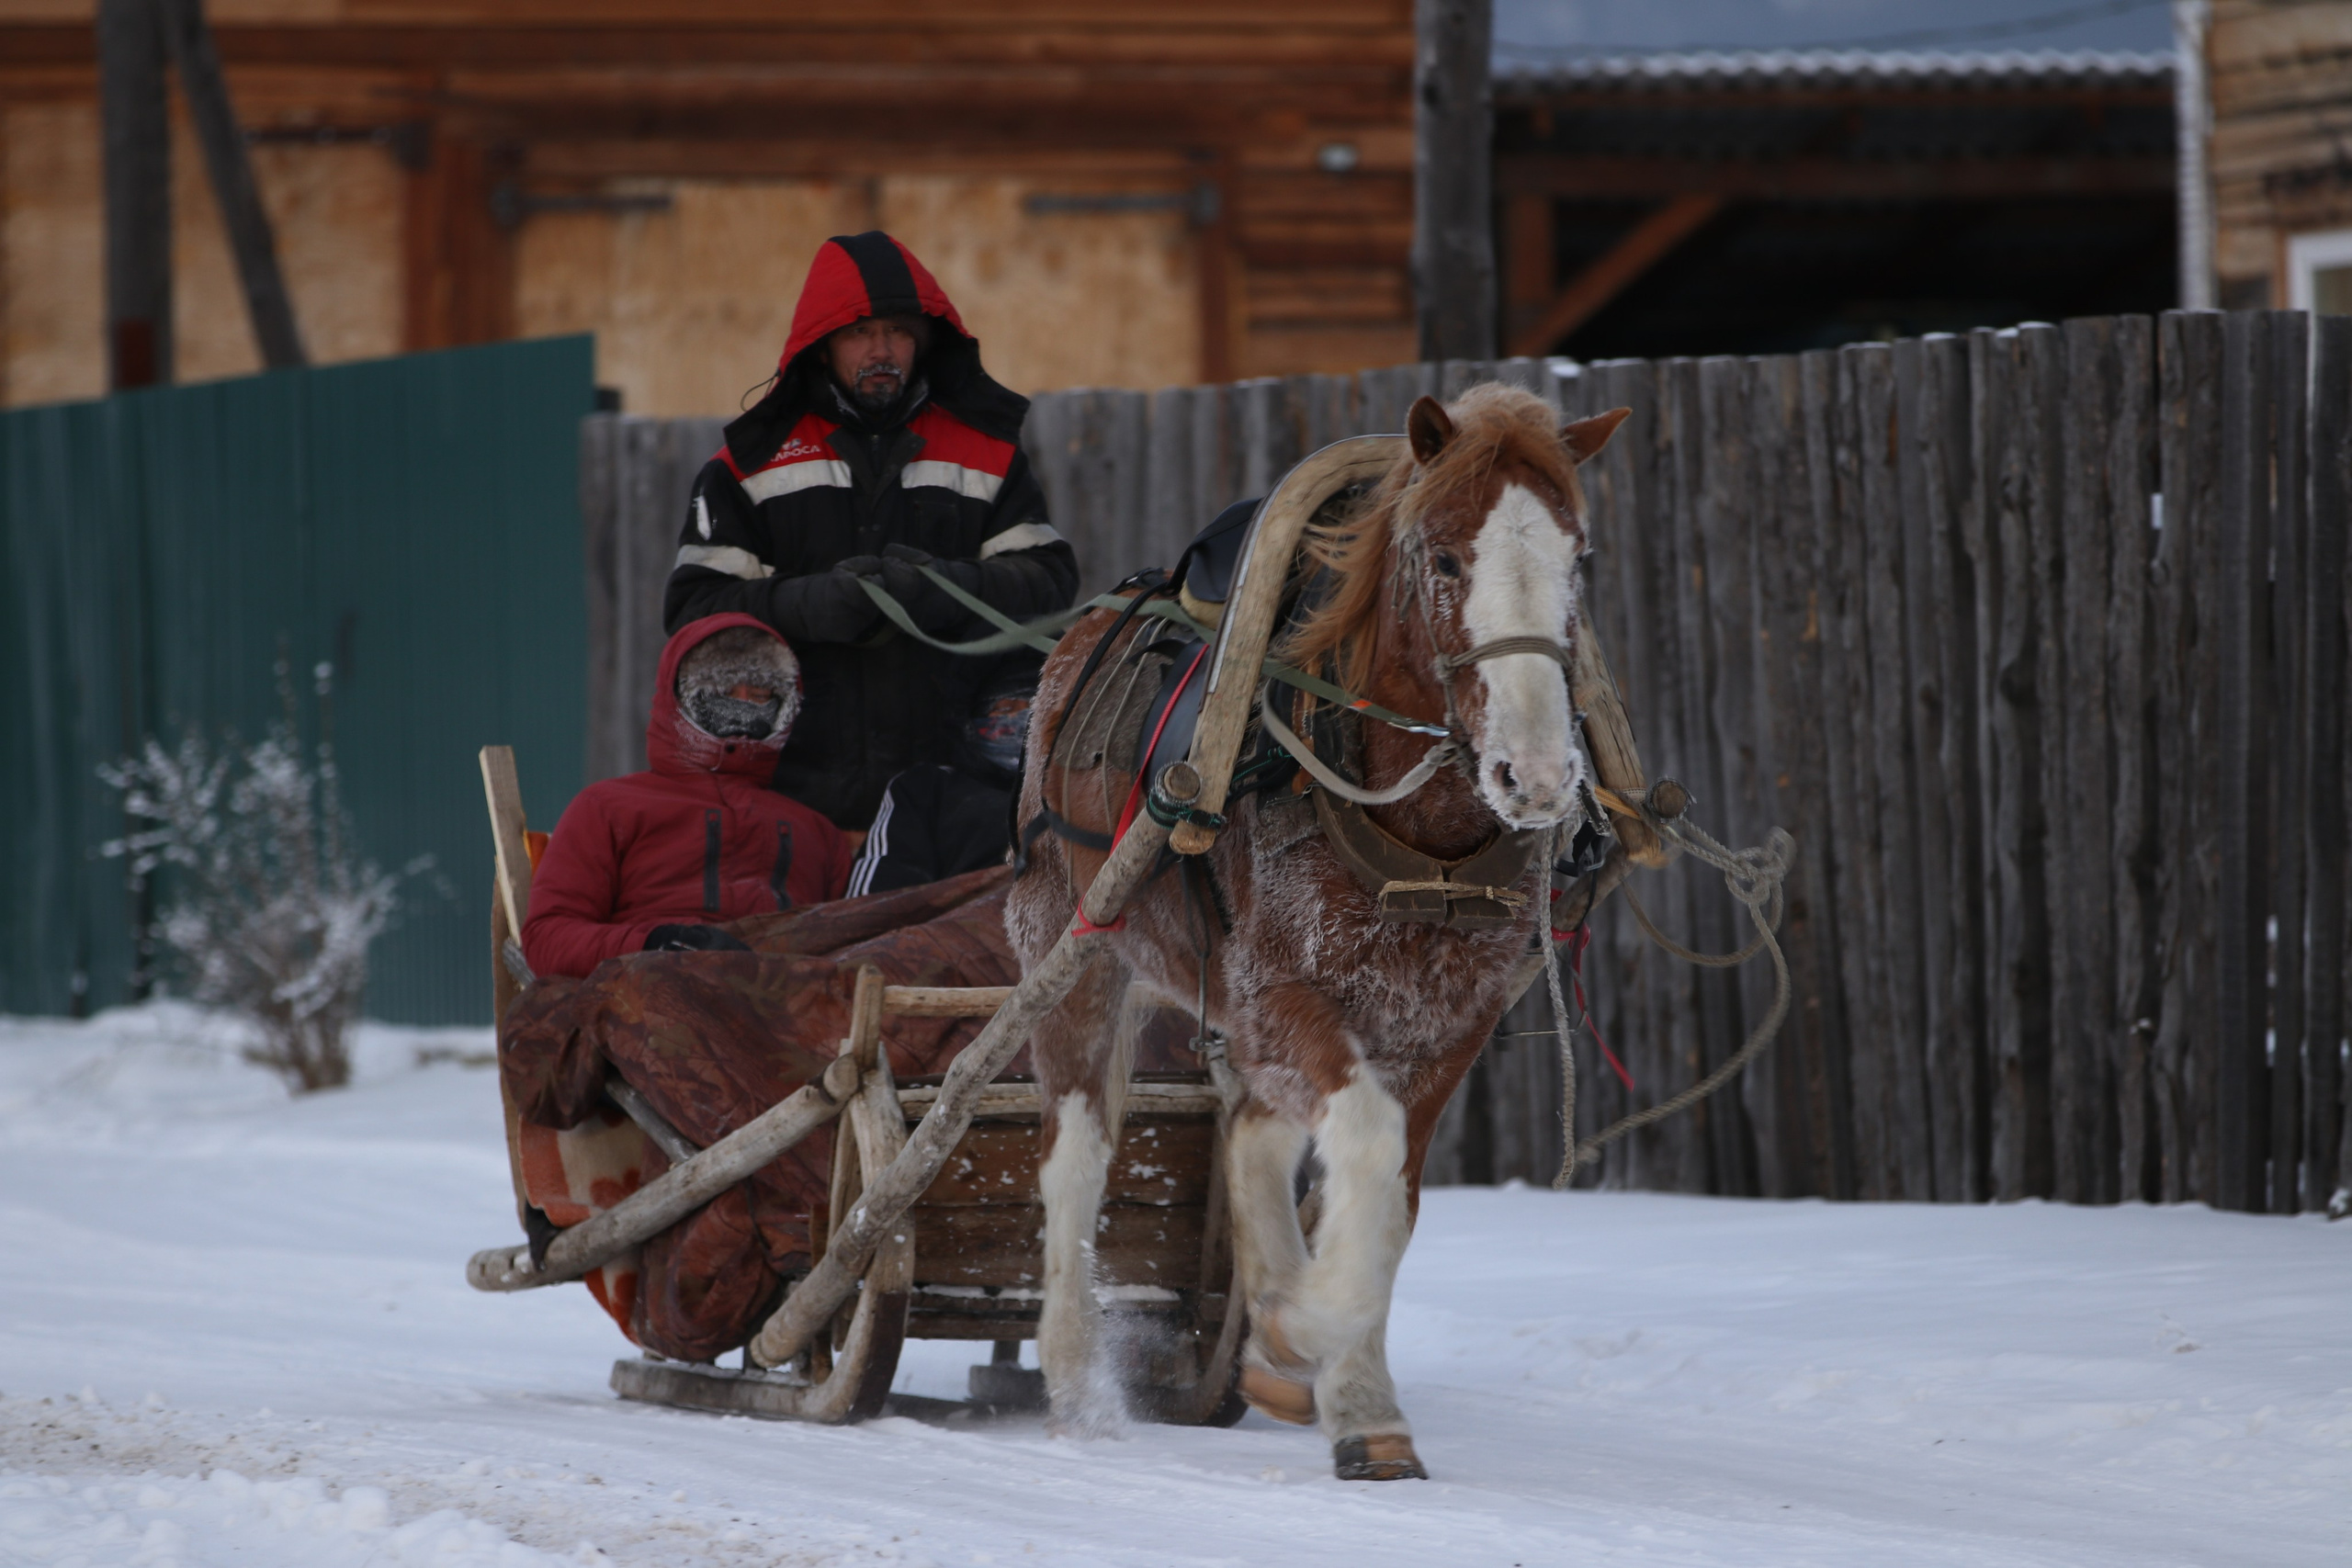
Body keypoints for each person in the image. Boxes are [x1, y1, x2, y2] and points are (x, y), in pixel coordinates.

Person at [663, 231, 1076, 830]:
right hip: (791, 800)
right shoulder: (748, 467)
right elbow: (693, 610)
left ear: (926, 340)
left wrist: (943, 589)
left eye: (900, 331)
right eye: (860, 331)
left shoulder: (988, 456)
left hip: (954, 800)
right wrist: (815, 603)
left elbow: (1050, 584)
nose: (882, 349)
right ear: (822, 344)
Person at [523, 614, 854, 980]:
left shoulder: (816, 833)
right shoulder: (608, 807)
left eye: (760, 695)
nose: (743, 706)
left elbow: (851, 948)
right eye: (723, 692)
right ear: (682, 694)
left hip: (784, 1003)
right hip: (649, 1000)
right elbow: (547, 940)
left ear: (785, 705)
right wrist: (656, 943)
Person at [846, 663, 1033, 897]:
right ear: (972, 721)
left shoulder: (1068, 793)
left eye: (1033, 710)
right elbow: (877, 903)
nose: (1020, 720)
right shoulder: (926, 788)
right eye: (1005, 708)